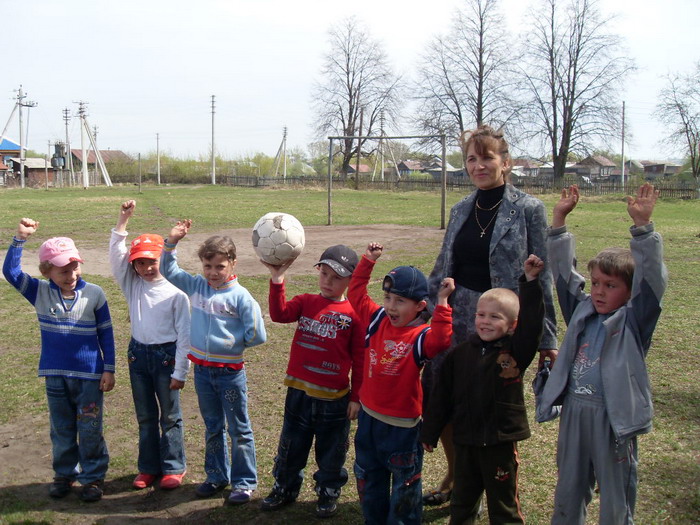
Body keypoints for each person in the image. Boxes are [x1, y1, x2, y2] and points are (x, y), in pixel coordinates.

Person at [423, 125, 558, 506]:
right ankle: (457, 474)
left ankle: (488, 481)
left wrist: (546, 337)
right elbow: (443, 262)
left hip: (499, 318)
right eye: (471, 158)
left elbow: (541, 273)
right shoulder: (461, 208)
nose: (478, 166)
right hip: (455, 313)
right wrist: (428, 309)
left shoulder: (529, 208)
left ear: (505, 162)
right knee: (444, 393)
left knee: (487, 402)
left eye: (486, 158)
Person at [537, 183, 667, 524]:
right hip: (575, 414)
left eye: (611, 286)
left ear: (629, 292)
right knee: (569, 490)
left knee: (616, 497)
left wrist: (643, 231)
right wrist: (560, 220)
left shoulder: (634, 321)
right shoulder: (581, 311)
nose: (599, 291)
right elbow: (564, 275)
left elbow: (652, 281)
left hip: (614, 419)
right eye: (595, 283)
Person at [421, 254, 546, 524]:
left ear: (512, 324)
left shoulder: (515, 351)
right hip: (465, 442)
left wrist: (531, 283)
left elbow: (532, 326)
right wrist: (429, 432)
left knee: (503, 506)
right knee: (462, 502)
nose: (485, 321)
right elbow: (442, 397)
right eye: (481, 315)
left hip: (498, 443)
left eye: (495, 317)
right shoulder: (460, 354)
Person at [3, 219, 115, 502]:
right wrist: (20, 239)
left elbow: (106, 334)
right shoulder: (39, 292)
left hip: (90, 377)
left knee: (90, 428)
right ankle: (64, 474)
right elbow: (11, 272)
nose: (71, 274)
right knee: (62, 428)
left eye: (74, 267)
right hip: (55, 376)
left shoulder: (95, 294)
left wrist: (109, 369)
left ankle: (92, 477)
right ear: (46, 271)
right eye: (63, 270)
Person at [160, 219, 267, 505]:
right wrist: (172, 242)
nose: (213, 273)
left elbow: (257, 333)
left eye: (220, 266)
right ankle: (217, 476)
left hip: (230, 374)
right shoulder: (197, 287)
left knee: (239, 428)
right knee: (212, 426)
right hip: (203, 373)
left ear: (232, 263)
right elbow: (167, 270)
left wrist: (232, 344)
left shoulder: (241, 297)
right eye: (208, 267)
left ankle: (244, 482)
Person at [348, 242, 455, 525]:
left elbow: (442, 340)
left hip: (403, 431)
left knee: (405, 490)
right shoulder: (377, 319)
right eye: (387, 297)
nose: (391, 306)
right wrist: (368, 261)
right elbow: (356, 293)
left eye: (400, 301)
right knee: (369, 481)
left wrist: (442, 303)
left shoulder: (421, 336)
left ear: (420, 306)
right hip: (369, 422)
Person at [259, 245, 365, 518]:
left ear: (350, 280)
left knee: (331, 454)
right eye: (324, 273)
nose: (328, 281)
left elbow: (360, 359)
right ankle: (285, 487)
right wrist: (277, 279)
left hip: (333, 401)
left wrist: (356, 397)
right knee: (290, 448)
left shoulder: (354, 315)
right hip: (299, 395)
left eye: (337, 277)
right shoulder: (306, 301)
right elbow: (280, 314)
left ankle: (328, 492)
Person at [109, 200, 191, 490]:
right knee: (145, 416)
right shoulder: (132, 284)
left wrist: (181, 371)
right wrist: (123, 221)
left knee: (170, 416)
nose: (144, 267)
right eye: (139, 262)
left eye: (151, 261)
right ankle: (148, 467)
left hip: (167, 358)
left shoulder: (177, 293)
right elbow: (116, 256)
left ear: (162, 260)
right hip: (138, 356)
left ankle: (173, 467)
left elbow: (185, 336)